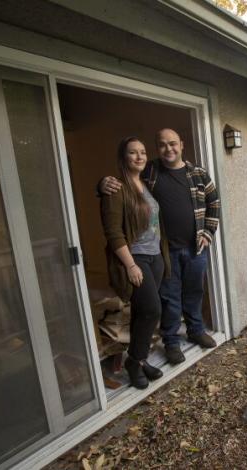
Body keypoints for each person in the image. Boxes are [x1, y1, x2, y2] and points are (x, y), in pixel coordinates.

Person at [99, 128, 220, 365]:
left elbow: (213, 201)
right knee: (170, 298)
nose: (168, 149)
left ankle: (196, 330)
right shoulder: (150, 171)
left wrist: (208, 231)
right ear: (158, 147)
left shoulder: (198, 173)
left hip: (196, 247)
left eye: (173, 144)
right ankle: (171, 342)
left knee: (194, 292)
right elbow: (124, 183)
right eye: (162, 145)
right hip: (165, 251)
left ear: (181, 145)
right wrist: (101, 184)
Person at [100, 136, 168, 389]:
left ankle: (139, 360)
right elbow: (113, 232)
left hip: (155, 258)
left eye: (142, 152)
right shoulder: (116, 188)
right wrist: (130, 265)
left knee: (142, 313)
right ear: (123, 157)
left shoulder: (146, 183)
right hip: (136, 258)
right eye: (132, 153)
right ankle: (134, 361)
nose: (139, 156)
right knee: (152, 309)